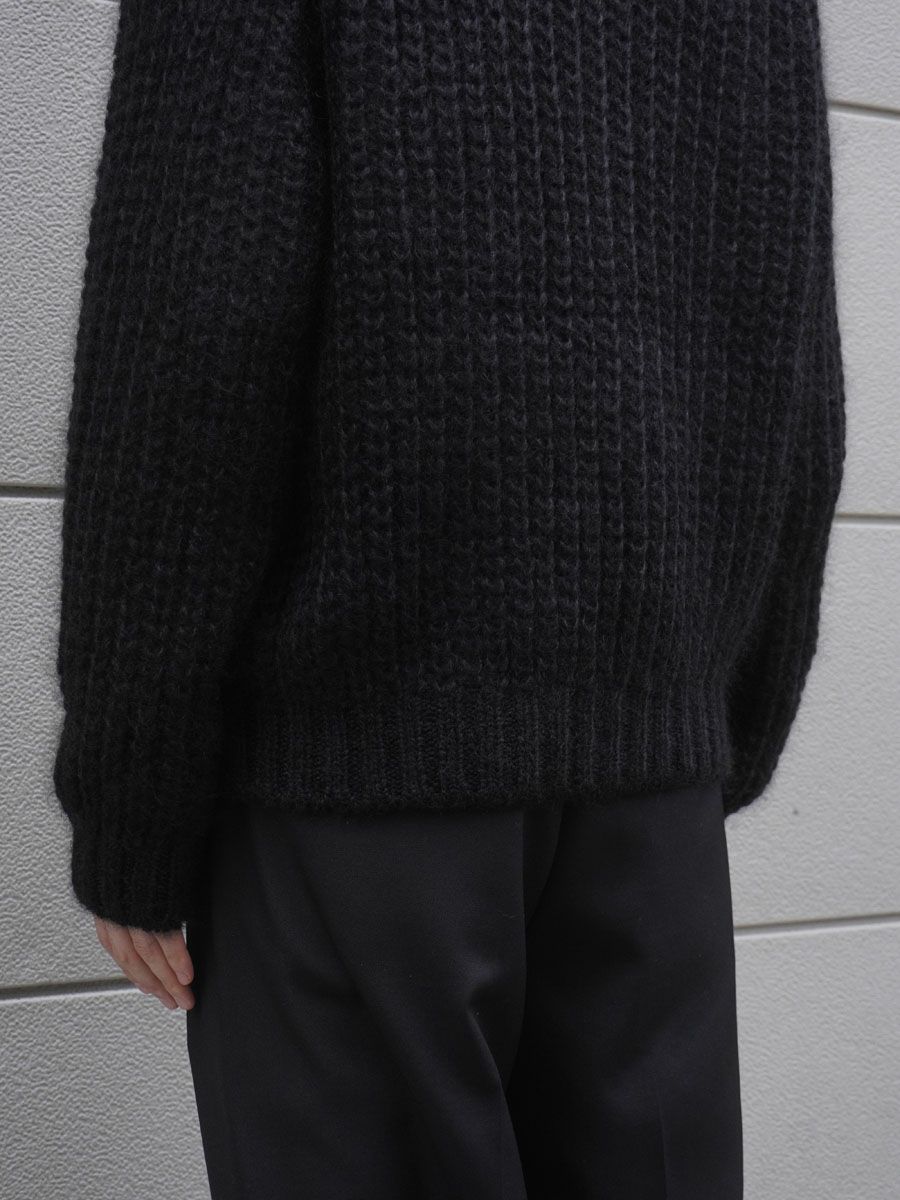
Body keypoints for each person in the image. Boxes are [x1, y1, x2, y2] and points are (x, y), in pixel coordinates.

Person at [52, 1, 846, 1197]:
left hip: (355, 795)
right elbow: (794, 351)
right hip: (651, 810)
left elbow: (191, 327)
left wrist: (133, 798)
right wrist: (715, 722)